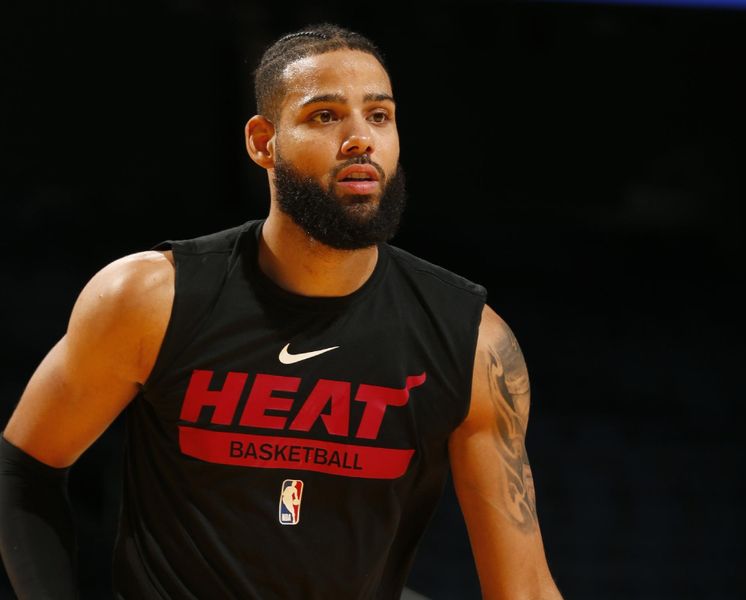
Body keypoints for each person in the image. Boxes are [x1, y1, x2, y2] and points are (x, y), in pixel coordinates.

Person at [0, 24, 562, 599]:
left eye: (379, 116)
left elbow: (523, 589)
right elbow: (23, 467)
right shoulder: (148, 298)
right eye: (325, 116)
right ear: (262, 142)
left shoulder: (471, 343)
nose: (359, 139)